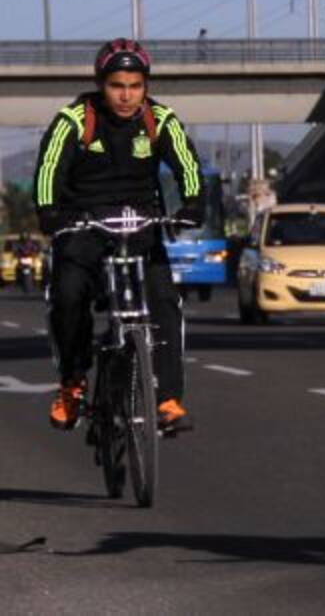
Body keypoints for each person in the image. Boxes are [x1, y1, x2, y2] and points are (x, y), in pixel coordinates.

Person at [34, 38, 205, 434]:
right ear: (101, 84)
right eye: (116, 85)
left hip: (141, 224)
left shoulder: (160, 119)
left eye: (135, 85)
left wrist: (193, 204)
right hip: (83, 226)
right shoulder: (74, 120)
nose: (126, 95)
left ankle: (167, 400)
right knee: (67, 295)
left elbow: (187, 165)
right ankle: (72, 386)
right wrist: (48, 213)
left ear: (145, 86)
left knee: (165, 301)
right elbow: (48, 171)